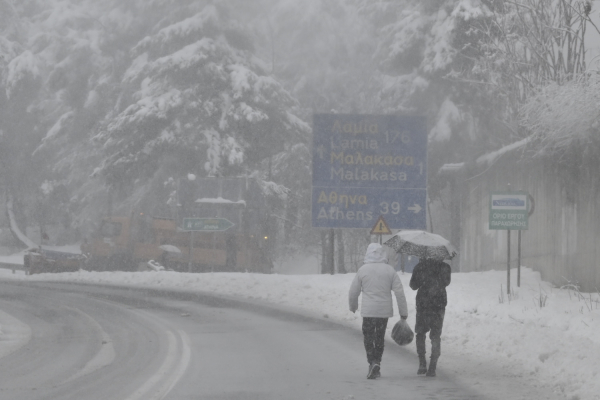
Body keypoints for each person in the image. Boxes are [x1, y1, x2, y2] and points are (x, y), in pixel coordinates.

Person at [349, 243, 409, 379]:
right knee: (380, 337)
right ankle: (377, 361)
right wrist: (403, 312)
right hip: (383, 311)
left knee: (368, 337)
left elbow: (353, 292)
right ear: (383, 254)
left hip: (368, 311)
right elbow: (399, 293)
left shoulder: (363, 270)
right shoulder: (390, 270)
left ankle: (372, 361)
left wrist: (353, 306)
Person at [409, 256, 452, 377]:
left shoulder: (420, 266)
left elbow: (413, 285)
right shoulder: (445, 267)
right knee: (436, 335)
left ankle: (422, 362)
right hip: (439, 305)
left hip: (423, 305)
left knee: (421, 333)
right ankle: (433, 366)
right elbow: (446, 282)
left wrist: (422, 275)